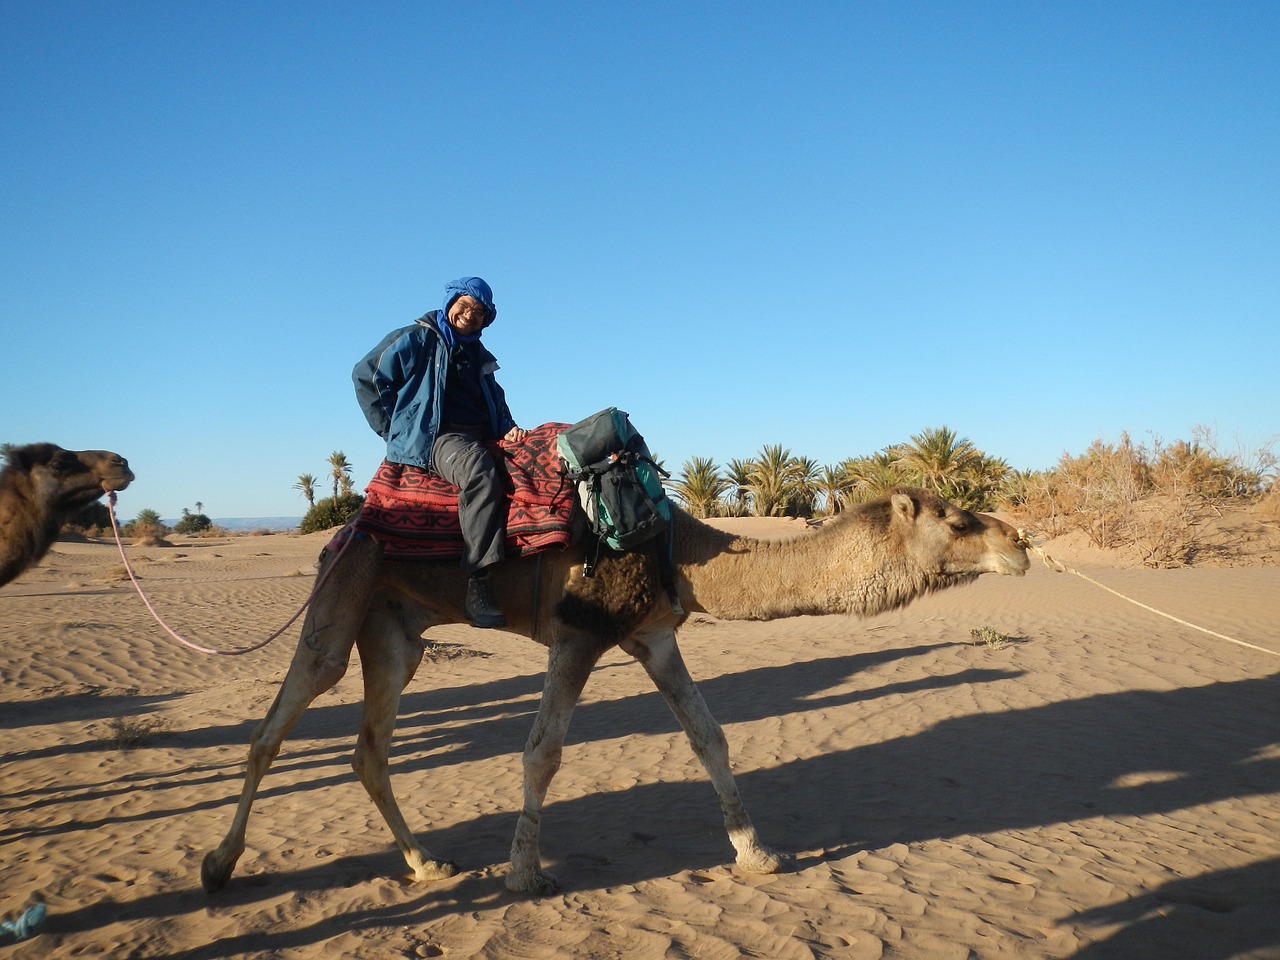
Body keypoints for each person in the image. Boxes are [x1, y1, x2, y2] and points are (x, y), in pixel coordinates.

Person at [353, 277, 528, 628]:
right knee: (479, 473)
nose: (470, 314)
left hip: (480, 434)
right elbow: (365, 376)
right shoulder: (416, 339)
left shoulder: (480, 356)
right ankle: (480, 581)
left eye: (479, 311)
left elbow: (495, 402)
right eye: (464, 305)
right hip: (441, 438)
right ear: (450, 303)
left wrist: (509, 427)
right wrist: (395, 433)